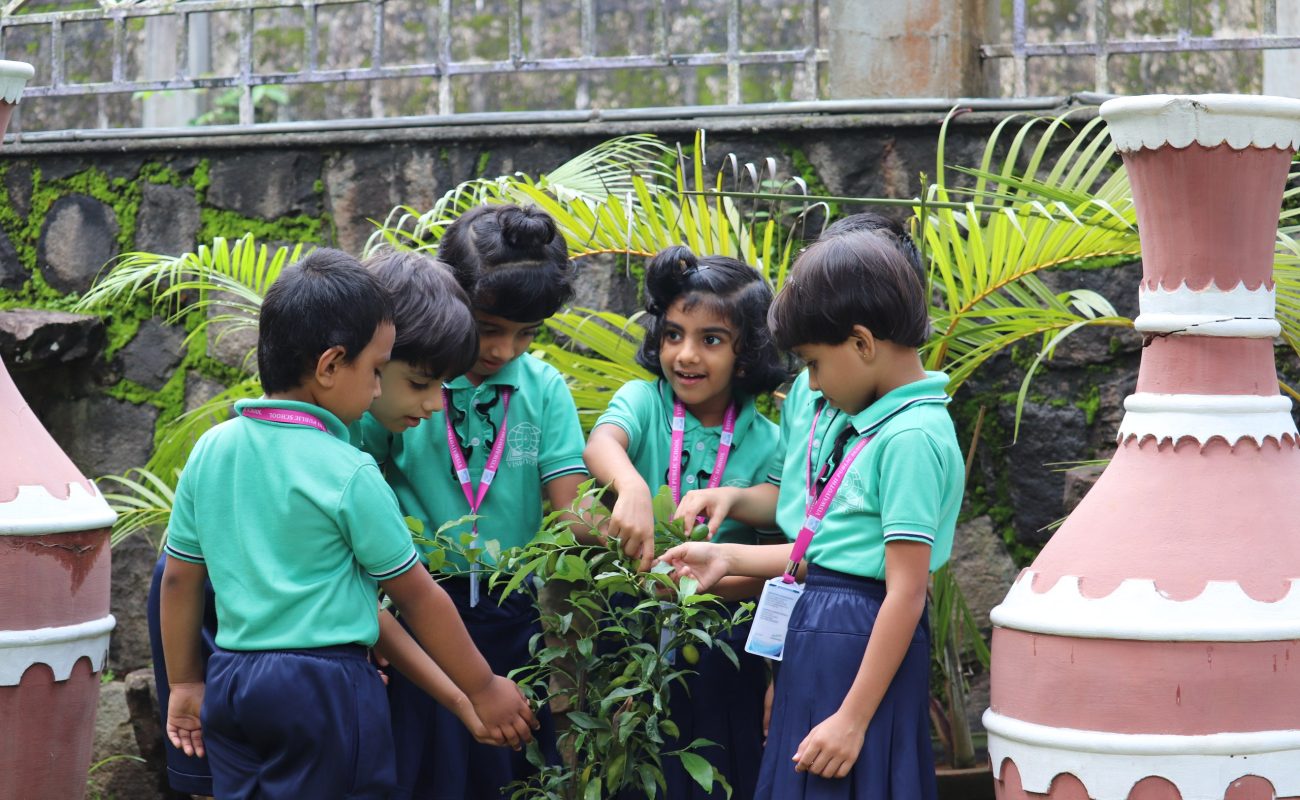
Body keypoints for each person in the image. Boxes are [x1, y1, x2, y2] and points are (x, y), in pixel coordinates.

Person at [159, 248, 536, 800]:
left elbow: (178, 579)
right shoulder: (349, 470)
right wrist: (482, 687)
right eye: (376, 370)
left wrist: (186, 683)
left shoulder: (211, 448)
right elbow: (417, 596)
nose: (379, 389)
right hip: (326, 687)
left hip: (232, 680)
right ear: (331, 366)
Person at [660, 215, 963, 800]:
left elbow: (904, 590)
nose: (814, 385)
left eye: (815, 364)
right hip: (826, 636)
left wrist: (851, 720)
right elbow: (828, 555)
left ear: (862, 343)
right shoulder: (873, 427)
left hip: (859, 647)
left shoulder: (910, 438)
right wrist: (724, 556)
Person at [352, 204, 588, 799]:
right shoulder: (401, 383)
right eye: (490, 329)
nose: (506, 350)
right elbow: (361, 488)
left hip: (517, 619)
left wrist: (636, 522)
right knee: (423, 769)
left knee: (510, 772)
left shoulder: (544, 388)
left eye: (527, 334)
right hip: (418, 607)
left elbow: (574, 513)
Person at [584, 245, 787, 799]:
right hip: (630, 634)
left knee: (723, 774)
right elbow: (603, 441)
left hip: (723, 642)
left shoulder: (769, 439)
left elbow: (782, 522)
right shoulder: (643, 403)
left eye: (711, 339)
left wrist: (733, 508)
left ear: (747, 353)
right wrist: (630, 486)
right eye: (673, 335)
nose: (686, 355)